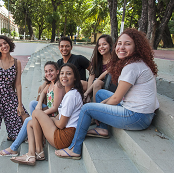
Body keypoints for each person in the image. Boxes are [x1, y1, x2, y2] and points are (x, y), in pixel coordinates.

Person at [55, 28, 159, 159]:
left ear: (137, 46)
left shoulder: (132, 67)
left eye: (127, 44)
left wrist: (100, 108)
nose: (121, 47)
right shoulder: (134, 63)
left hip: (137, 116)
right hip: (139, 111)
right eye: (119, 43)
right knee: (100, 94)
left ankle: (74, 149)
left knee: (87, 108)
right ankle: (103, 129)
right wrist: (101, 106)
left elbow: (115, 99)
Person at [10, 63, 84, 165]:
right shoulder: (71, 93)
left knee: (36, 112)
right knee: (30, 123)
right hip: (65, 133)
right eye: (62, 73)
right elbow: (60, 115)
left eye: (68, 74)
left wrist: (51, 120)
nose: (64, 76)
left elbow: (61, 124)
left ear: (75, 77)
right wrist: (49, 119)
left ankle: (39, 151)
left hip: (64, 138)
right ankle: (31, 154)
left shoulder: (71, 96)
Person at [0, 61, 65, 156]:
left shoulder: (58, 85)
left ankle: (14, 148)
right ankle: (36, 128)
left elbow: (55, 108)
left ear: (57, 71)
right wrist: (39, 105)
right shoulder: (50, 84)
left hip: (55, 116)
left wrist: (38, 115)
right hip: (50, 113)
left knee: (28, 120)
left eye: (51, 71)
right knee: (33, 103)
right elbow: (42, 93)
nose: (48, 73)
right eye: (46, 71)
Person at [83, 34, 113, 103]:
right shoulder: (96, 59)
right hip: (95, 83)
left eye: (104, 44)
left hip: (109, 85)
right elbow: (91, 75)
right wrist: (88, 95)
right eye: (99, 45)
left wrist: (87, 93)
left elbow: (101, 78)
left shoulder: (114, 59)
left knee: (97, 83)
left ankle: (95, 108)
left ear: (110, 45)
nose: (101, 47)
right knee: (80, 83)